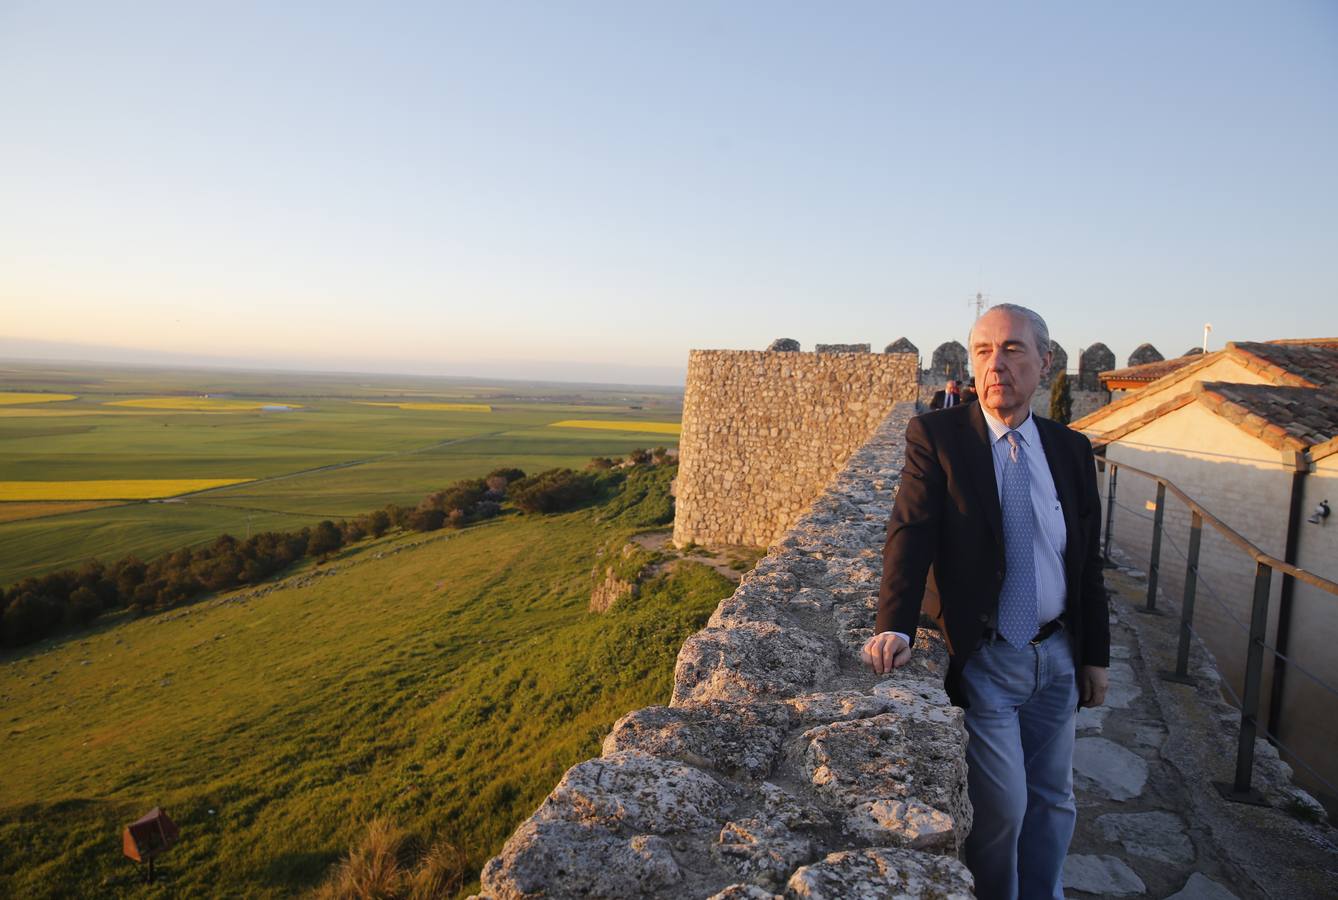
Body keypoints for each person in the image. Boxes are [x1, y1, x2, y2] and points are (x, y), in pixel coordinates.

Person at [861, 304, 1109, 900]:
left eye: (1014, 349)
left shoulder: (1071, 449)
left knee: (1055, 801)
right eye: (983, 352)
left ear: (1046, 363)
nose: (997, 365)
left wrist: (1093, 654)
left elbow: (1085, 562)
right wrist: (895, 625)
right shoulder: (938, 438)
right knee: (1003, 809)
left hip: (1057, 654)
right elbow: (911, 530)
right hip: (989, 657)